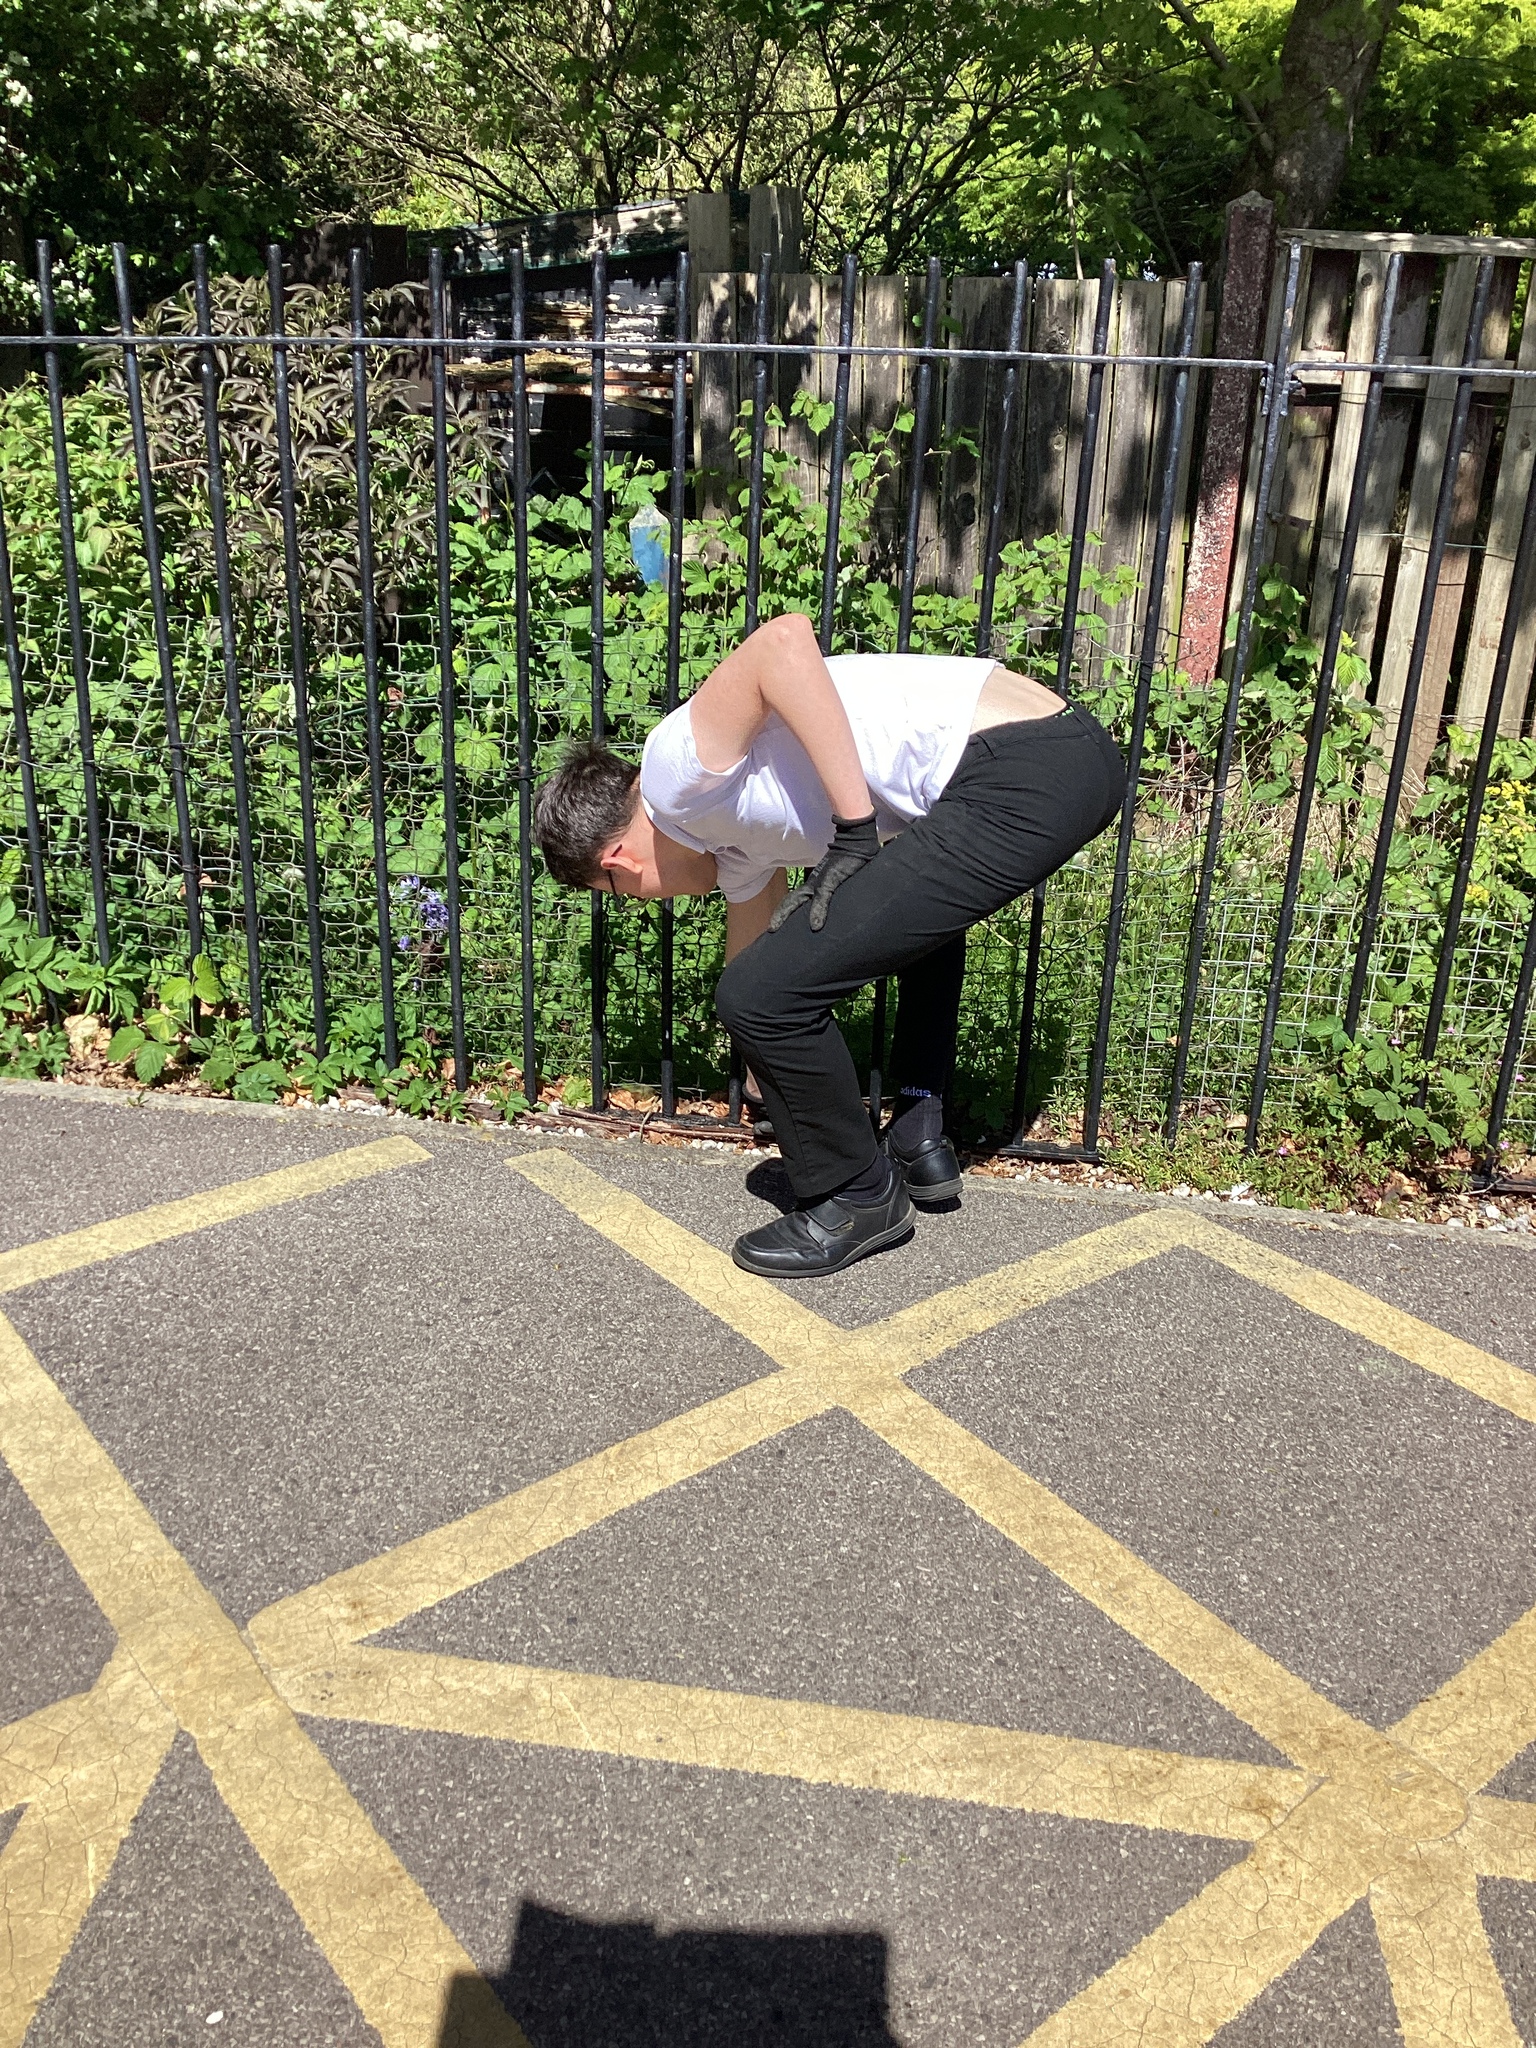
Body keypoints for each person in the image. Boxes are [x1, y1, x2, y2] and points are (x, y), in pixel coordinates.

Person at [534, 612, 1126, 1279]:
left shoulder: (672, 774)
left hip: (1024, 767)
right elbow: (757, 953)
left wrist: (853, 827)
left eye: (619, 892)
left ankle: (858, 1196)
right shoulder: (726, 835)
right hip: (1055, 756)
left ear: (617, 862)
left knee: (758, 995)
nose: (645, 899)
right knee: (885, 931)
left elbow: (782, 641)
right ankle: (917, 1135)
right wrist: (764, 1070)